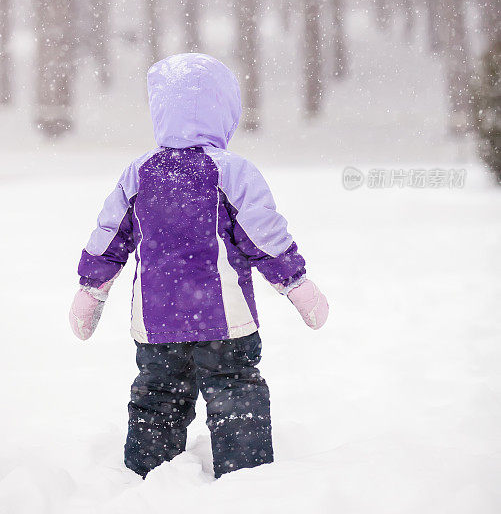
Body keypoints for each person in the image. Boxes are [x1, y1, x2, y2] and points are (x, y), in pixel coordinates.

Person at [69, 53, 329, 479]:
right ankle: (246, 479)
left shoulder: (139, 173)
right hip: (223, 322)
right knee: (235, 392)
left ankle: (148, 475)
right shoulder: (234, 172)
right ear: (224, 111)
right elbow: (265, 237)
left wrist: (90, 289)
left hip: (156, 324)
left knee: (157, 398)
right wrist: (296, 283)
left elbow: (110, 237)